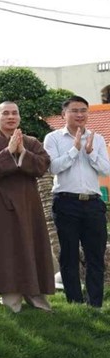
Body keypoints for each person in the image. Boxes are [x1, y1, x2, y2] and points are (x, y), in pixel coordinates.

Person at [0, 101, 54, 313]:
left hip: (29, 204)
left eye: (14, 113)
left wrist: (22, 152)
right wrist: (8, 152)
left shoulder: (30, 141)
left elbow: (42, 164)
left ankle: (36, 297)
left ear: (19, 117)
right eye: (5, 113)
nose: (11, 117)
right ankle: (11, 299)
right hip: (3, 206)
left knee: (33, 247)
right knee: (8, 251)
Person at [43, 95, 110, 308]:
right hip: (65, 202)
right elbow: (53, 168)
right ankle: (75, 303)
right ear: (64, 114)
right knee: (69, 255)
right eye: (74, 110)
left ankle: (95, 304)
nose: (80, 114)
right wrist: (75, 149)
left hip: (93, 204)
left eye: (83, 110)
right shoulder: (52, 138)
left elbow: (106, 170)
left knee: (95, 256)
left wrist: (90, 153)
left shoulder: (97, 139)